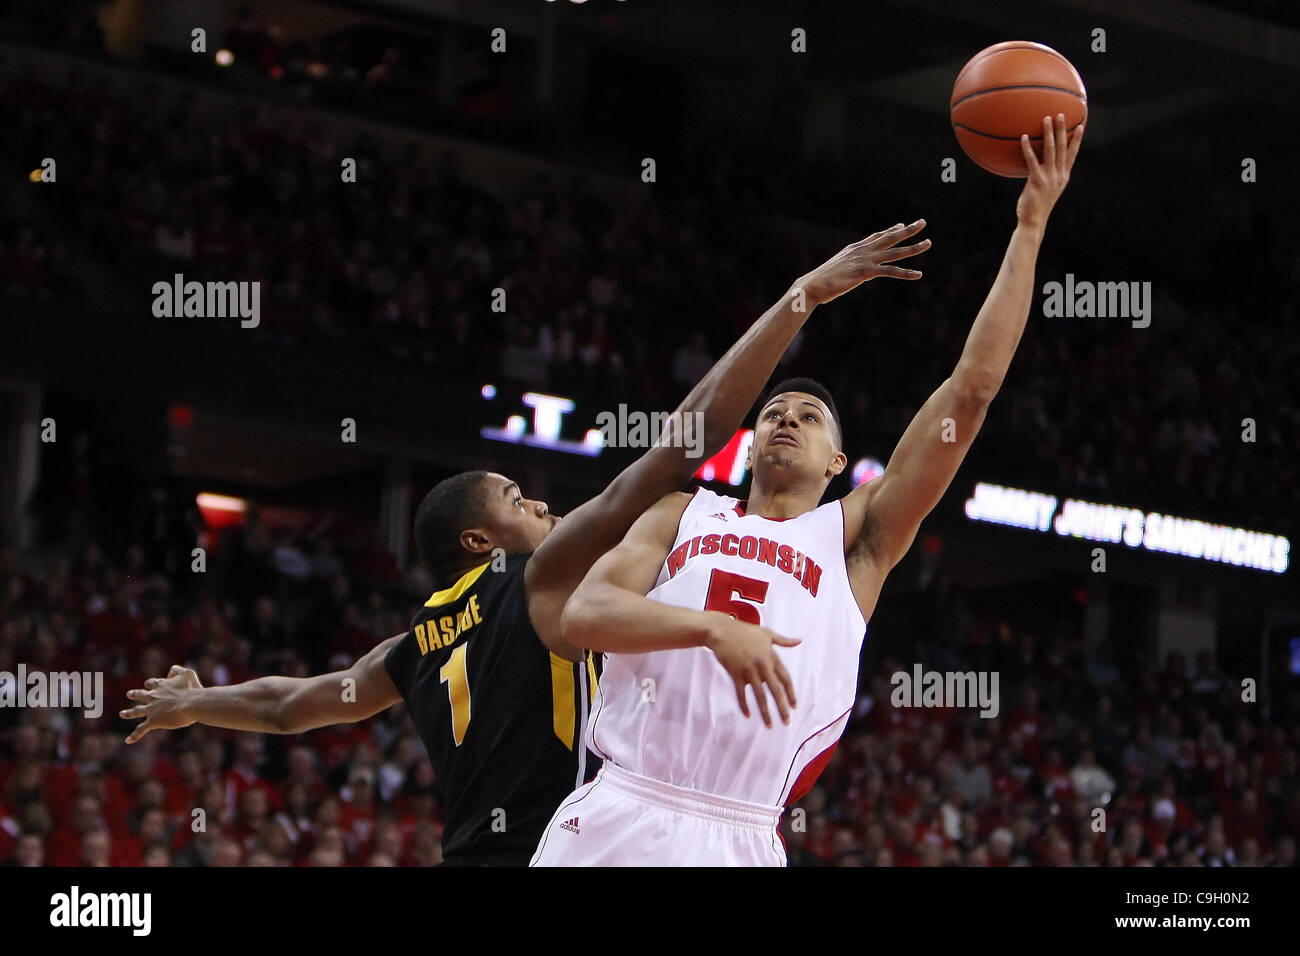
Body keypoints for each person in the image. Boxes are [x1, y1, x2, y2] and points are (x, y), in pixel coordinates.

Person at [120, 222, 931, 865]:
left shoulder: (415, 646)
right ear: (480, 539)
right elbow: (687, 439)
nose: (539, 499)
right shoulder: (547, 581)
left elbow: (292, 706)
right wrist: (801, 300)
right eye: (514, 497)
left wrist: (195, 704)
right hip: (579, 845)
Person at [534, 116, 1084, 866]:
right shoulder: (681, 511)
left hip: (741, 829)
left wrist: (1029, 224)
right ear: (749, 444)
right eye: (772, 414)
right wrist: (713, 628)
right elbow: (586, 613)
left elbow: (971, 392)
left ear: (838, 462)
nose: (787, 418)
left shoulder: (857, 540)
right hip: (621, 801)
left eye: (809, 416)